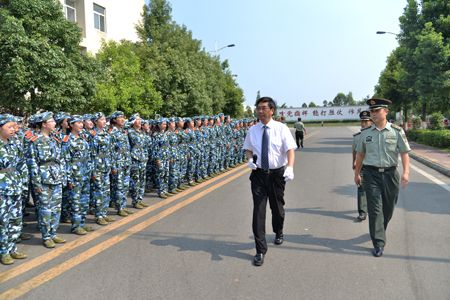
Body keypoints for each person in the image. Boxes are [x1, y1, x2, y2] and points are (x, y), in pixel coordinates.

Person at [243, 96, 296, 266]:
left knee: (277, 208)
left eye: (264, 108)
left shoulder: (281, 128)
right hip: (258, 175)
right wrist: (250, 159)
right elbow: (248, 150)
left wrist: (290, 167)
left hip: (276, 175)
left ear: (272, 110)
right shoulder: (253, 130)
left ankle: (278, 230)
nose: (260, 111)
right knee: (258, 211)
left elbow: (290, 150)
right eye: (258, 108)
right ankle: (260, 250)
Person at [354, 98, 410, 257]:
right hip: (370, 174)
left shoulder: (396, 131)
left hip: (390, 174)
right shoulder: (365, 134)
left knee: (388, 209)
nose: (373, 114)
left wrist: (406, 172)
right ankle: (379, 242)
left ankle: (380, 228)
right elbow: (360, 155)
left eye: (376, 110)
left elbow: (404, 153)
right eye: (371, 111)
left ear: (386, 111)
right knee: (375, 210)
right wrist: (357, 173)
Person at [28, 112, 67, 248]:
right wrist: (36, 182)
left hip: (56, 177)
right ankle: (46, 236)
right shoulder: (36, 140)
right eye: (51, 121)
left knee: (56, 208)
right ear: (44, 124)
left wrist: (63, 176)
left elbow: (60, 160)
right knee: (45, 209)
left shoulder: (55, 139)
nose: (54, 123)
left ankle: (53, 233)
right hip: (43, 179)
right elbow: (32, 162)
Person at [0, 114, 28, 265]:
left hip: (15, 186)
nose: (13, 129)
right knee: (3, 221)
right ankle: (3, 251)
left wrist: (23, 183)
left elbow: (21, 164)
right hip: (2, 189)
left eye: (13, 127)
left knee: (15, 219)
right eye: (9, 127)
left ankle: (12, 248)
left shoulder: (14, 144)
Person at [352, 111, 372, 222]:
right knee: (361, 188)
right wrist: (354, 162)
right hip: (363, 166)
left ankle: (372, 208)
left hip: (374, 166)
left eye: (366, 121)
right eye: (362, 121)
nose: (363, 123)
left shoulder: (376, 134)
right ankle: (362, 212)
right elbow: (354, 151)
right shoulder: (357, 137)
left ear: (371, 122)